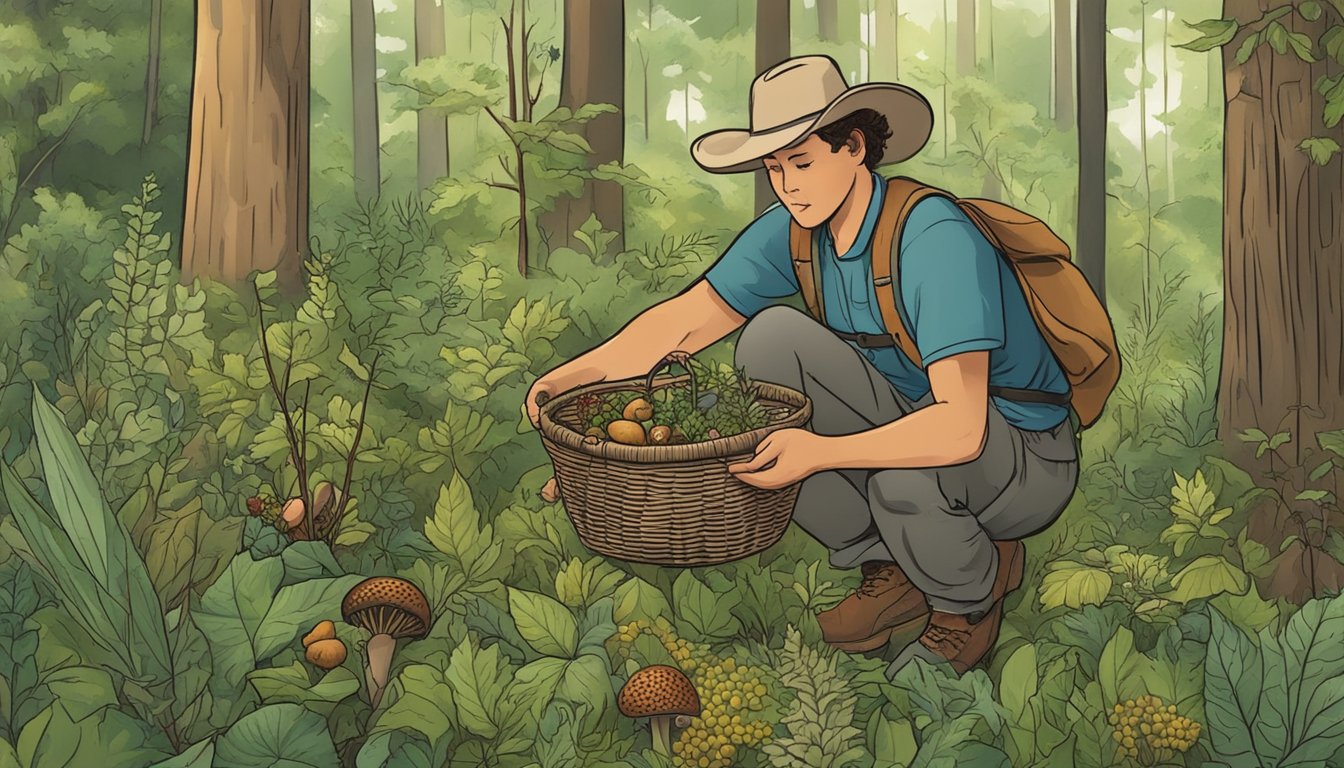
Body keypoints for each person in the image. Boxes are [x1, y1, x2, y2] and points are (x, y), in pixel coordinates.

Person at [525, 54, 1080, 678]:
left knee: (903, 480)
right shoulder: (793, 233)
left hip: (1024, 451)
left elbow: (959, 429)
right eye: (775, 168)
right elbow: (686, 317)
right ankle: (893, 567)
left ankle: (969, 599)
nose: (788, 185)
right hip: (919, 413)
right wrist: (573, 377)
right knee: (769, 340)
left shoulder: (933, 236)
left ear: (855, 148)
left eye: (803, 162)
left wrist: (817, 451)